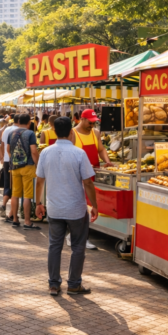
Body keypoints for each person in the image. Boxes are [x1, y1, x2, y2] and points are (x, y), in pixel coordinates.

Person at [35, 117, 98, 296]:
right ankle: (74, 284)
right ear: (71, 132)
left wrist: (39, 203)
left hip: (54, 208)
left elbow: (40, 181)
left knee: (54, 246)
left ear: (54, 132)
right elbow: (88, 182)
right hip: (76, 209)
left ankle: (54, 284)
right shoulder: (79, 153)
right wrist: (94, 205)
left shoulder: (46, 152)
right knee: (78, 246)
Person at [70, 109, 113, 249]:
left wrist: (107, 161)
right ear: (82, 119)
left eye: (94, 122)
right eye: (90, 122)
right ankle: (81, 238)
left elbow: (100, 149)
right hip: (79, 177)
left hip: (94, 174)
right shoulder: (73, 134)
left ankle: (75, 236)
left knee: (88, 207)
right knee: (82, 207)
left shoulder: (95, 133)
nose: (92, 125)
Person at [8, 114, 39, 229]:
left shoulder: (11, 133)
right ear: (29, 123)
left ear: (19, 121)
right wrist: (38, 164)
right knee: (27, 195)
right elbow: (34, 151)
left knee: (15, 194)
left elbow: (8, 150)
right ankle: (27, 221)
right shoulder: (30, 133)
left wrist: (14, 161)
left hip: (14, 167)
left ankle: (15, 219)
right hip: (28, 166)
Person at [0, 115, 20, 219]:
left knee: (7, 185)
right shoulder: (20, 131)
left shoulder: (6, 129)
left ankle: (4, 205)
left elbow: (2, 144)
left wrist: (2, 156)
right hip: (17, 161)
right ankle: (11, 213)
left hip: (7, 160)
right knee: (15, 187)